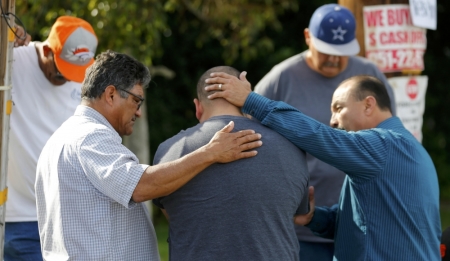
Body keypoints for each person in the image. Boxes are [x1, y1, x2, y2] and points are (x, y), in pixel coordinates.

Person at [35, 52, 262, 260]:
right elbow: (141, 186)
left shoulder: (62, 137)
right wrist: (211, 152)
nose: (139, 112)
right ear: (111, 94)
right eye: (136, 100)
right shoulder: (90, 136)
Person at [204, 73, 441, 260]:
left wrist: (251, 101)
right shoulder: (404, 149)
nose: (333, 121)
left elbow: (319, 136)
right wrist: (314, 218)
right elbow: (365, 224)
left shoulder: (383, 145)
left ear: (369, 105)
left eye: (339, 108)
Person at [252, 3, 396, 259]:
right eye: (326, 50)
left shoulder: (370, 75)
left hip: (363, 222)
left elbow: (390, 135)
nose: (333, 59)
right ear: (308, 37)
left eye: (341, 52)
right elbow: (250, 134)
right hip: (300, 226)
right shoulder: (281, 77)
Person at [152, 66, 309, 261]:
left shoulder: (170, 150)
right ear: (246, 100)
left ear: (197, 107)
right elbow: (295, 214)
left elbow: (173, 215)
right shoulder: (291, 146)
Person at [5, 16, 98, 261]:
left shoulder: (86, 79)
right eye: (61, 69)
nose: (68, 78)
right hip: (20, 217)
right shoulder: (13, 59)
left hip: (67, 216)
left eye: (75, 72)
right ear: (47, 49)